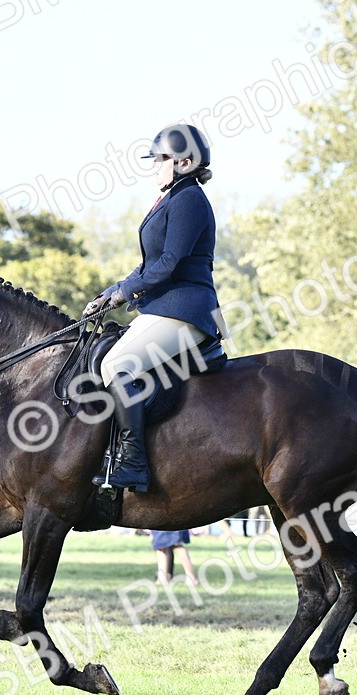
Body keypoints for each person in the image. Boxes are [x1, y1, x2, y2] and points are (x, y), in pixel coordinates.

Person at [82, 123, 220, 493]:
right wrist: (110, 292)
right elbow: (148, 265)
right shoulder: (172, 197)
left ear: (184, 162)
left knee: (115, 364)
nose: (153, 166)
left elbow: (171, 263)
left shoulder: (189, 199)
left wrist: (125, 293)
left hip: (186, 310)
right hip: (166, 308)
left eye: (160, 159)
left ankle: (134, 462)